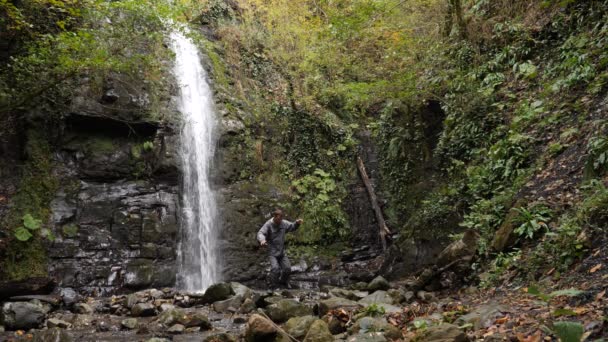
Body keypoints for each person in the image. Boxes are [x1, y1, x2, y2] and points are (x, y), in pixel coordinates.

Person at [257, 209, 303, 289]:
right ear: (274, 217)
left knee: (287, 269)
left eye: (281, 219)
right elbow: (260, 233)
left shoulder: (283, 223)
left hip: (281, 252)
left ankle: (283, 282)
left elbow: (292, 226)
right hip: (272, 253)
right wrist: (262, 240)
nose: (280, 221)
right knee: (275, 269)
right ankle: (273, 287)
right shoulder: (268, 224)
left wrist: (297, 223)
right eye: (278, 219)